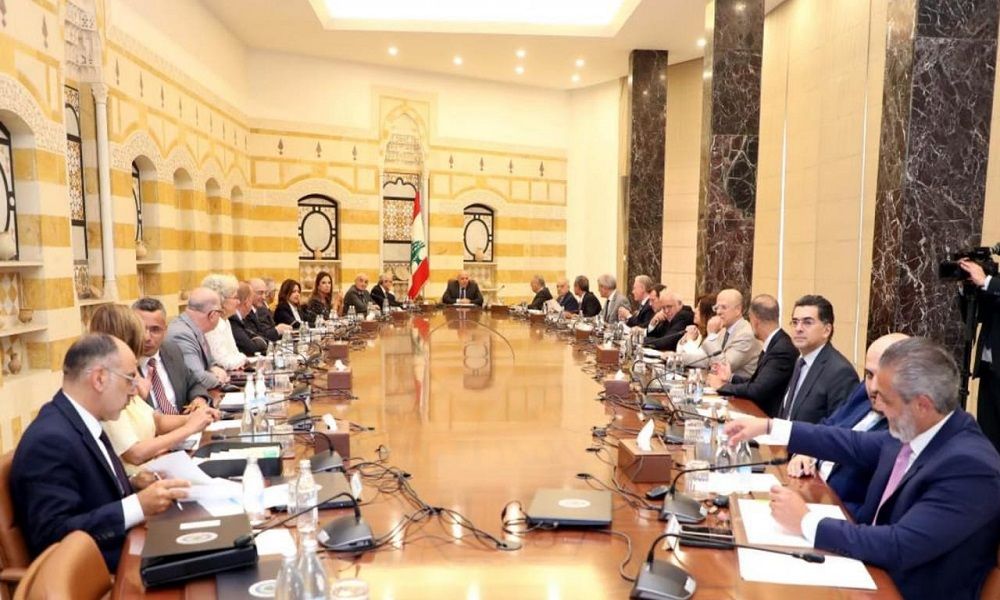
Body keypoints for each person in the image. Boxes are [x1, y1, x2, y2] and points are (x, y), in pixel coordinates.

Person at [725, 337, 1000, 600]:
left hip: (903, 589)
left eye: (887, 401)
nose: (879, 408)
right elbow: (850, 443)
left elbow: (900, 545)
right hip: (869, 569)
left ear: (922, 404)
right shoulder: (920, 428)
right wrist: (769, 427)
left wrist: (807, 521)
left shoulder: (970, 468)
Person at [11, 334, 191, 570]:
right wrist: (137, 505)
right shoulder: (50, 440)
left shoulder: (84, 420)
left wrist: (133, 483)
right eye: (130, 379)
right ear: (99, 379)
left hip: (131, 547)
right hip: (104, 572)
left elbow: (91, 492)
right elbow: (53, 536)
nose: (135, 390)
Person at [786, 333, 909, 516]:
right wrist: (807, 453)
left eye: (884, 377)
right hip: (808, 488)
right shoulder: (863, 394)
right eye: (869, 375)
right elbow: (829, 424)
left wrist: (814, 514)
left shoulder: (903, 432)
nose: (873, 387)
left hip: (835, 515)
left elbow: (871, 514)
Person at [91, 305, 215, 474]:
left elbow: (156, 421)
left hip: (156, 470)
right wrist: (188, 428)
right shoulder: (108, 386)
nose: (146, 338)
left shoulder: (127, 374)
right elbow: (134, 453)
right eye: (141, 331)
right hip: (139, 481)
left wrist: (195, 417)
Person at [708, 294, 796, 416]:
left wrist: (722, 386)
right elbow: (757, 381)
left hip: (766, 417)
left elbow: (757, 390)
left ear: (755, 320)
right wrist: (730, 378)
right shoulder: (775, 342)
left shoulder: (781, 349)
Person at [777, 294, 859, 423]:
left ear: (826, 330)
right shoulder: (800, 362)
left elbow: (839, 428)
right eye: (795, 322)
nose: (798, 329)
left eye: (807, 322)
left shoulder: (841, 373)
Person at [132, 297, 213, 413]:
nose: (147, 337)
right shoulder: (124, 364)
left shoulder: (172, 350)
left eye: (155, 330)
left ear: (165, 331)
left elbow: (194, 383)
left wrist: (199, 399)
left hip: (185, 420)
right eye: (140, 329)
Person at [959, 258, 1000, 452]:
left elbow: (992, 286)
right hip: (989, 369)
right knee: (988, 436)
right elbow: (978, 315)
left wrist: (987, 281)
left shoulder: (993, 282)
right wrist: (965, 288)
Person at [681, 288, 760, 379]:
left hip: (738, 386)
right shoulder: (724, 331)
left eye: (723, 307)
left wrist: (711, 335)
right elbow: (707, 359)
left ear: (738, 310)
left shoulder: (746, 334)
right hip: (720, 384)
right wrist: (677, 357)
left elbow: (723, 366)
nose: (718, 312)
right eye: (717, 307)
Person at [166, 287, 230, 389]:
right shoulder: (182, 334)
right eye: (220, 312)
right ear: (213, 315)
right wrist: (219, 379)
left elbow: (211, 363)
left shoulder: (195, 327)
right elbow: (198, 378)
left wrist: (216, 368)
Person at [201, 273, 247, 371]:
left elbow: (235, 353)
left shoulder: (225, 321)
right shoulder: (211, 325)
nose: (238, 302)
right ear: (221, 301)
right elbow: (224, 362)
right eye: (235, 297)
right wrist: (243, 358)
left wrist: (241, 359)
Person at [230, 281, 268, 356]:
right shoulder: (232, 320)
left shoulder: (240, 319)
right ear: (247, 302)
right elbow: (252, 348)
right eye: (251, 301)